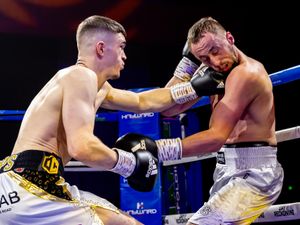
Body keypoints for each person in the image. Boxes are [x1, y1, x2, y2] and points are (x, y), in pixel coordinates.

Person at [0, 15, 211, 225]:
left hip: (15, 186)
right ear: (101, 48)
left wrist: (193, 86)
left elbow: (143, 101)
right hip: (32, 184)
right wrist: (130, 164)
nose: (125, 55)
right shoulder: (81, 76)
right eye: (121, 46)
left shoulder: (93, 86)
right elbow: (82, 147)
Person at [118, 17, 284, 224]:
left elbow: (216, 137)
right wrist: (186, 68)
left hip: (255, 174)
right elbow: (167, 109)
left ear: (230, 38)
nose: (213, 62)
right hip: (226, 168)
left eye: (215, 51)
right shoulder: (214, 72)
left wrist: (156, 149)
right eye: (203, 58)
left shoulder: (246, 74)